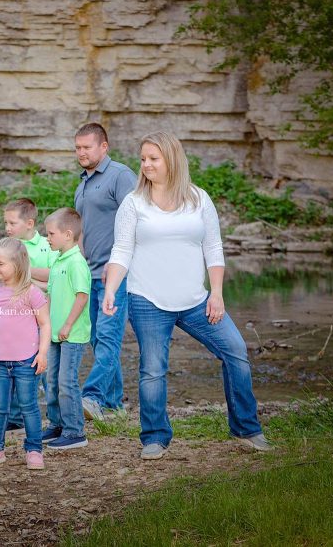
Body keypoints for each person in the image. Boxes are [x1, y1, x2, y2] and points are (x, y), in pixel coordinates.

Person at [102, 131, 272, 460]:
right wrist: (111, 289)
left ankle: (246, 429)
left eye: (154, 158)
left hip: (196, 300)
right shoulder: (134, 203)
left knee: (235, 350)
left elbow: (214, 249)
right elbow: (121, 251)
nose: (146, 165)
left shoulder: (199, 199)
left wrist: (217, 294)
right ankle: (155, 437)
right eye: (143, 159)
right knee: (153, 369)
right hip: (147, 300)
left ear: (172, 160)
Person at [73, 123, 137, 421]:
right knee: (98, 340)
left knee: (109, 338)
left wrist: (117, 265)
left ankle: (92, 396)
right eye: (78, 147)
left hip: (115, 276)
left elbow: (139, 218)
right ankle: (114, 406)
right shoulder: (83, 183)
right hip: (89, 275)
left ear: (104, 147)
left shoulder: (120, 175)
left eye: (87, 147)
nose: (81, 152)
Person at [0, 237, 51, 470]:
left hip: (26, 362)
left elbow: (45, 325)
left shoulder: (32, 293)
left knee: (29, 405)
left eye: (1, 263)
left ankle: (34, 450)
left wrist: (42, 354)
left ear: (18, 264)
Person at [1, 198, 59, 430]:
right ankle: (15, 420)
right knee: (15, 367)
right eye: (5, 222)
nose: (7, 228)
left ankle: (57, 418)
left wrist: (25, 274)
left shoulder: (47, 245)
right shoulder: (7, 247)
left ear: (29, 223)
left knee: (45, 368)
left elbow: (53, 275)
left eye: (12, 223)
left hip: (42, 318)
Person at [42, 208, 92, 450]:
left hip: (72, 335)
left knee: (66, 382)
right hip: (54, 333)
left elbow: (82, 296)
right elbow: (50, 295)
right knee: (51, 381)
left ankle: (75, 432)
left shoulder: (76, 262)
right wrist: (46, 323)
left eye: (51, 234)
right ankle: (57, 424)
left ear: (68, 234)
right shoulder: (58, 260)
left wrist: (68, 324)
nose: (47, 238)